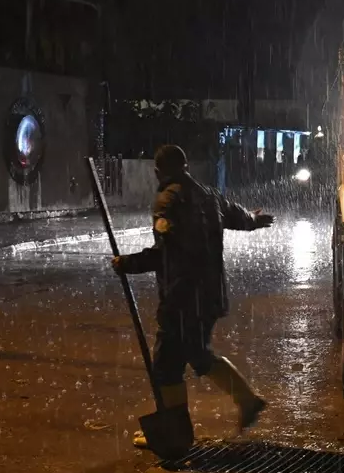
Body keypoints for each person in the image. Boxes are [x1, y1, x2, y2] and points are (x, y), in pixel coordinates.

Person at [112, 144, 274, 448]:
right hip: (209, 295)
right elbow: (236, 215)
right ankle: (244, 401)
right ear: (185, 165)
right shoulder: (208, 194)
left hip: (183, 296)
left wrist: (128, 264)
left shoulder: (168, 201)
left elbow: (166, 255)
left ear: (158, 171)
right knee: (195, 354)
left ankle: (178, 433)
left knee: (168, 365)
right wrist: (254, 220)